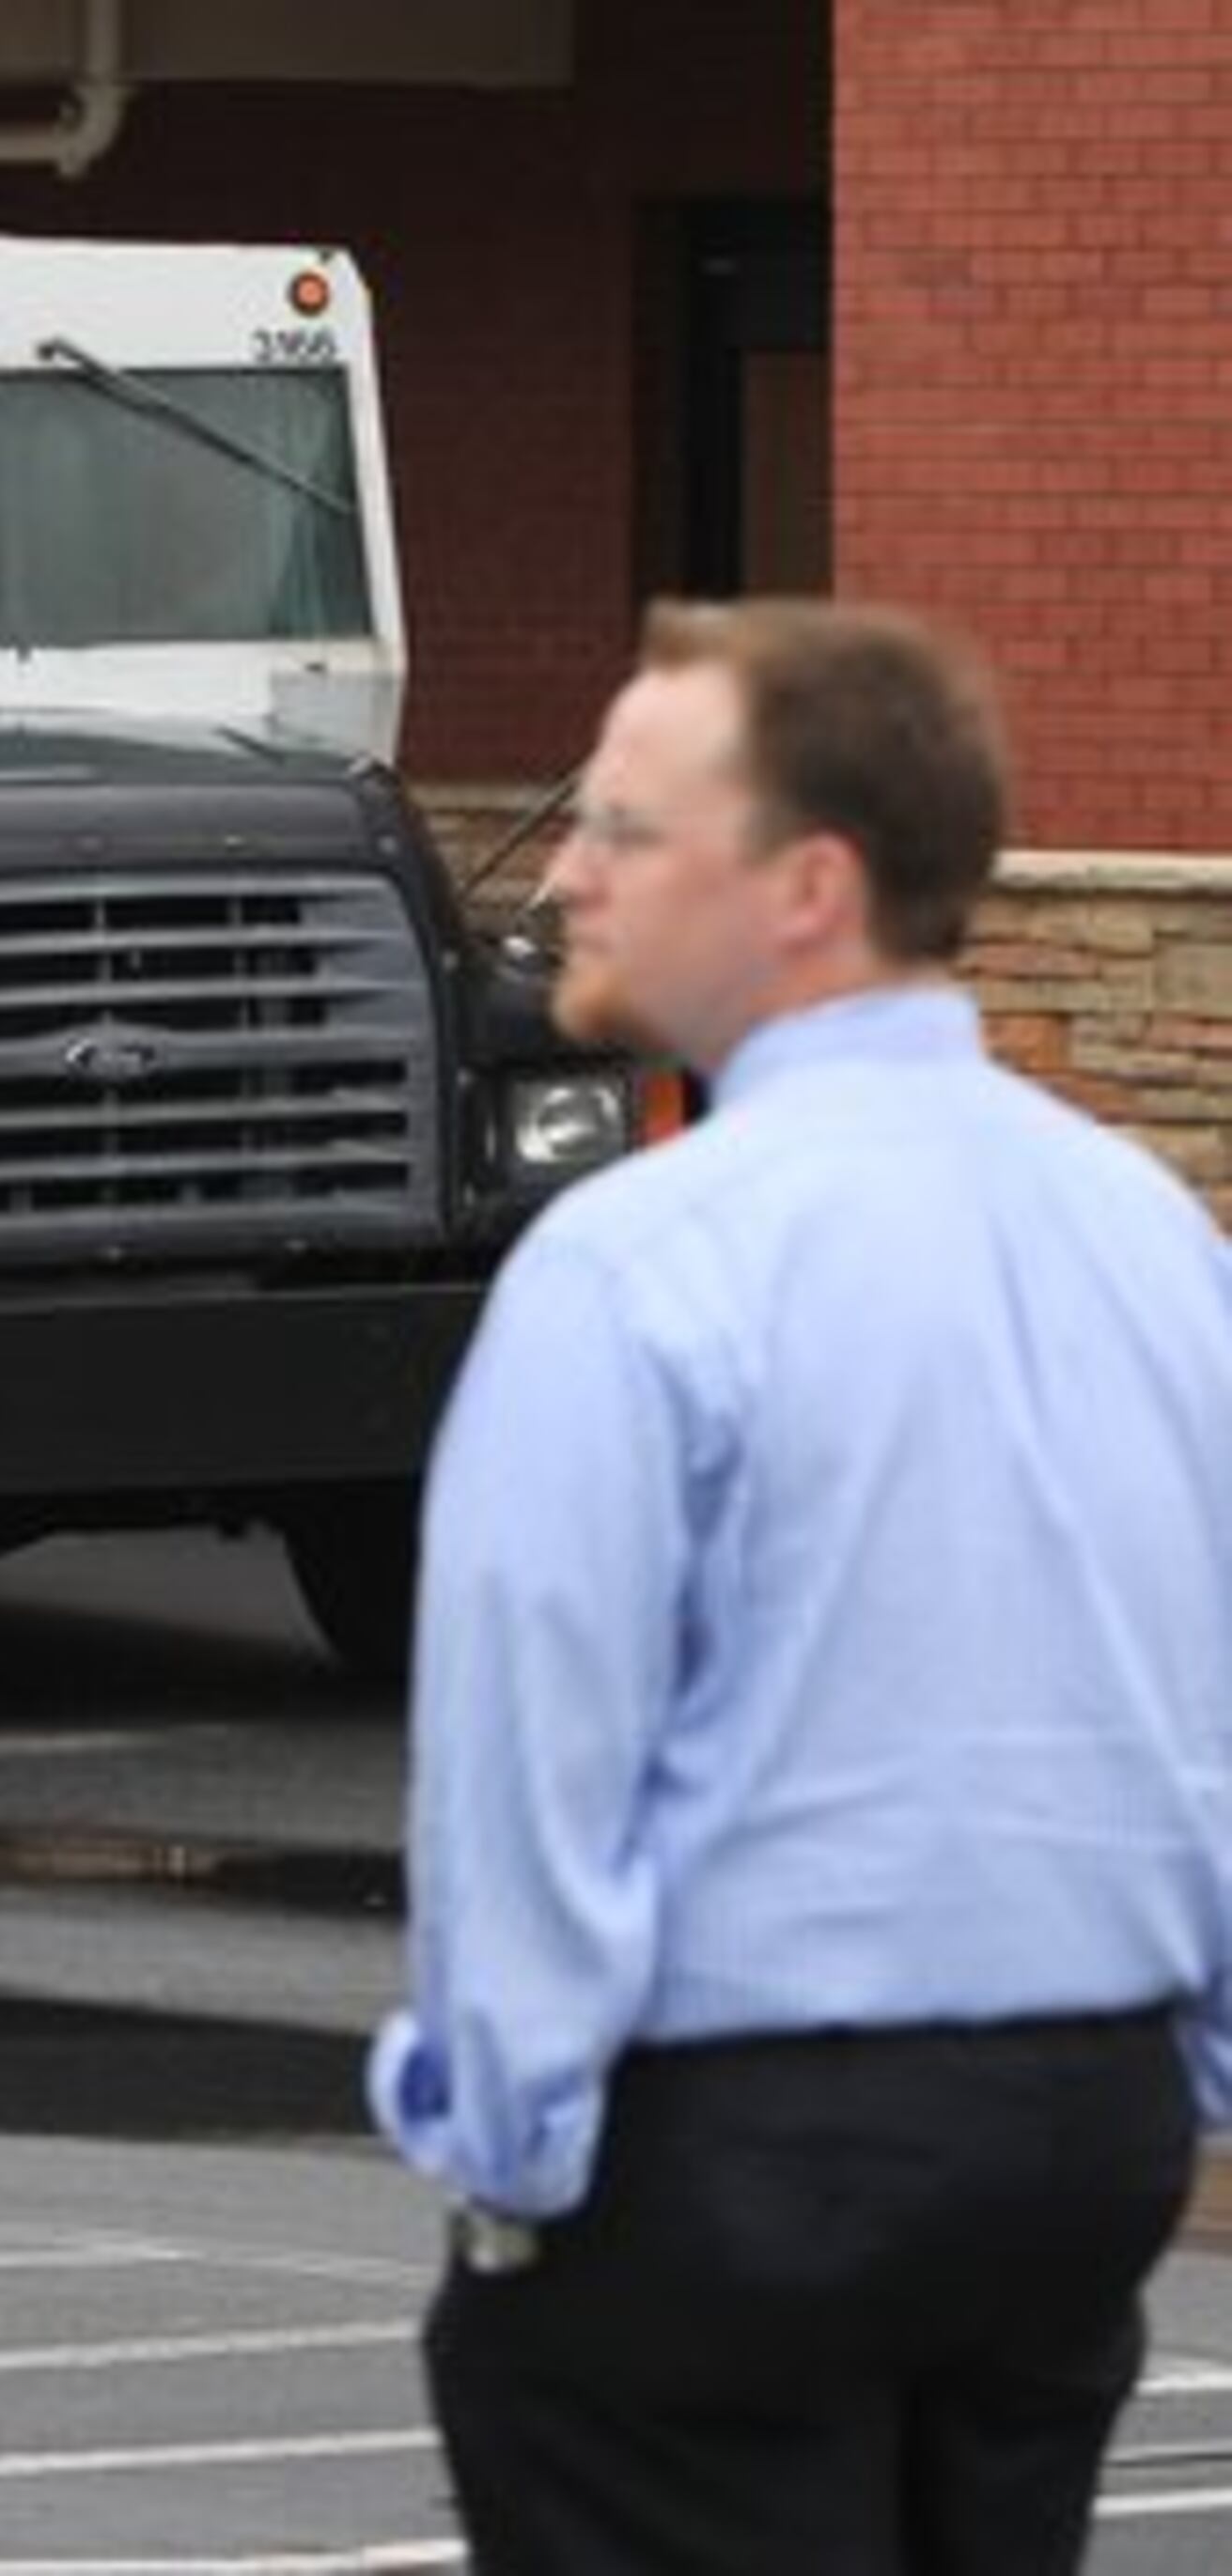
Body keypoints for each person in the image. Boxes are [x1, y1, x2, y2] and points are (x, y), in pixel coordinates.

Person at [370, 597, 1232, 2574]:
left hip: (734, 2164)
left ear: (809, 886)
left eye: (629, 827)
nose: (567, 869)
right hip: (1075, 2143)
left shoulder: (633, 1266)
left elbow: (525, 1770)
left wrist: (506, 2161)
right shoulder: (1151, 1234)